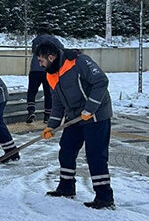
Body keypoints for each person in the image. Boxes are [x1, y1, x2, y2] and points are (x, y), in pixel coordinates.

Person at [36, 42, 115, 209]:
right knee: (66, 149)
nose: (40, 64)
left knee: (95, 155)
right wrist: (52, 126)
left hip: (96, 116)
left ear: (51, 57)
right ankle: (66, 187)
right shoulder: (51, 74)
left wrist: (90, 108)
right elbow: (57, 102)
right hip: (75, 117)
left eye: (41, 60)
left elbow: (101, 81)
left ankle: (104, 197)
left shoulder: (79, 62)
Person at [26, 27, 64, 124]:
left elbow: (34, 51)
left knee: (32, 91)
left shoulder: (36, 41)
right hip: (48, 69)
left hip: (35, 69)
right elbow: (61, 49)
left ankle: (31, 110)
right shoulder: (54, 40)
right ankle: (47, 116)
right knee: (48, 92)